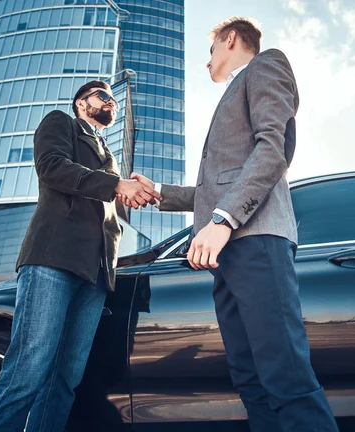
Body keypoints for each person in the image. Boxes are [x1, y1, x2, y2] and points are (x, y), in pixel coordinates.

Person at [119, 17, 339, 432]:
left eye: (210, 51)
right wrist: (160, 191)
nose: (207, 63)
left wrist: (224, 220)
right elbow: (215, 186)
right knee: (249, 377)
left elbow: (274, 148)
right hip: (224, 253)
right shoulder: (234, 92)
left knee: (284, 374)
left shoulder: (267, 65)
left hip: (255, 240)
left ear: (230, 38)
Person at [0, 80, 159, 432]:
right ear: (81, 102)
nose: (111, 103)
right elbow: (53, 168)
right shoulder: (61, 121)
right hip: (53, 259)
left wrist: (136, 191)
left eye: (114, 101)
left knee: (65, 381)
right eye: (103, 96)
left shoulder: (108, 153)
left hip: (95, 273)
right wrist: (117, 185)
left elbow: (109, 201)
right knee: (26, 372)